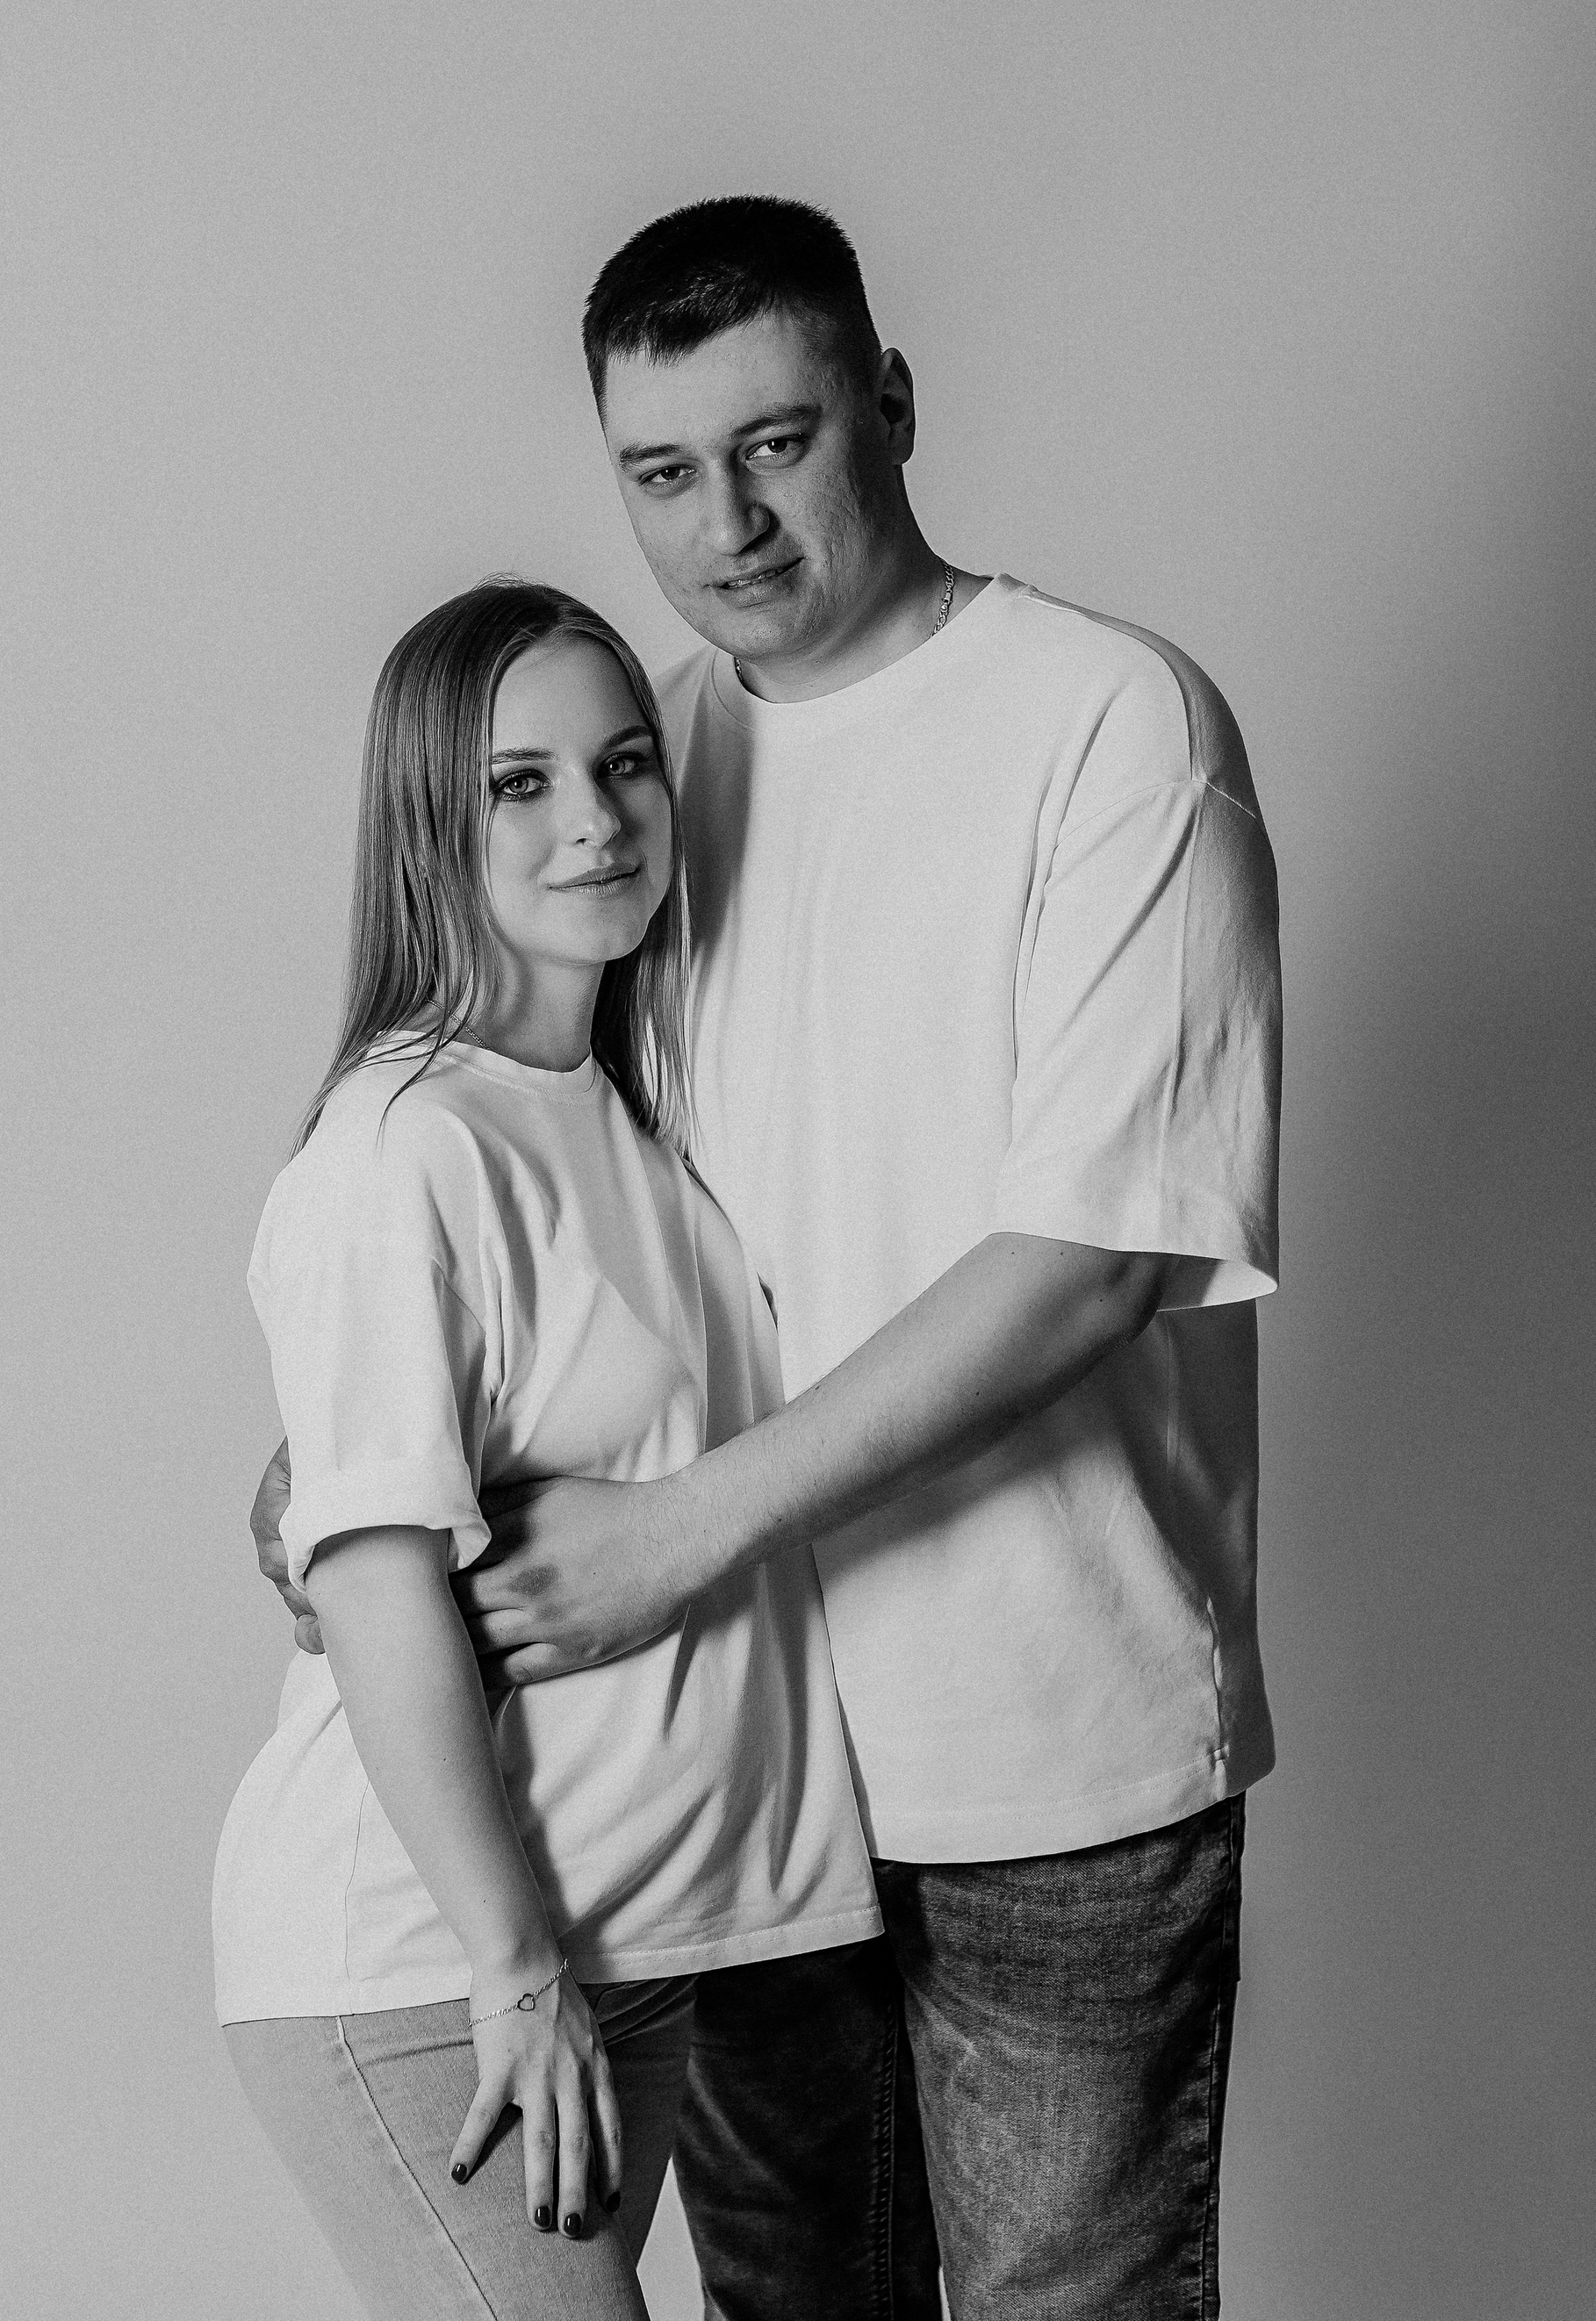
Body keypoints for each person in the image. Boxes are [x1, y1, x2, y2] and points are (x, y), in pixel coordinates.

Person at [256, 197, 1284, 2320]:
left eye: (777, 443)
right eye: (660, 471)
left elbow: (1095, 1256)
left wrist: (681, 1532)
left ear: (890, 403)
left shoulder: (1109, 725)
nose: (723, 523)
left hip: (1044, 1739)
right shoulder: (641, 760)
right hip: (737, 1785)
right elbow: (560, 1206)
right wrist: (356, 1475)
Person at [216, 580, 881, 2321]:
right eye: (520, 783)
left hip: (632, 1942)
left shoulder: (635, 1121)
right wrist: (513, 1967)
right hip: (439, 1959)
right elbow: (370, 1581)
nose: (594, 819)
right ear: (430, 821)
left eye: (625, 764)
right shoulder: (402, 1147)